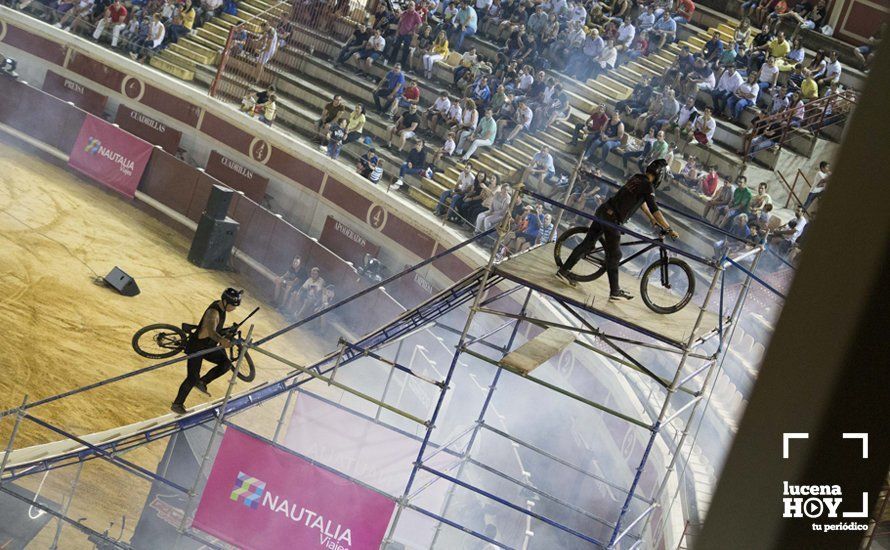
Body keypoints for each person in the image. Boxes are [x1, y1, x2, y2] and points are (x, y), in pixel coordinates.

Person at [555, 160, 679, 301]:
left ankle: (563, 271)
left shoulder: (638, 177)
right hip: (612, 219)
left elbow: (641, 202)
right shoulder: (648, 186)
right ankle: (615, 292)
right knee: (615, 256)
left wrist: (651, 219)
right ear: (660, 175)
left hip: (604, 210)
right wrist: (669, 229)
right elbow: (655, 209)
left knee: (588, 243)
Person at [171, 288, 243, 414]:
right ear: (225, 302)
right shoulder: (213, 313)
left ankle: (202, 382)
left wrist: (227, 331)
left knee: (226, 364)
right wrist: (222, 340)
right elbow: (211, 331)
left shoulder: (222, 307)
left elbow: (217, 329)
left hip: (208, 346)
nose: (234, 309)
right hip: (197, 346)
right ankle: (177, 404)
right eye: (233, 305)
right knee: (192, 378)